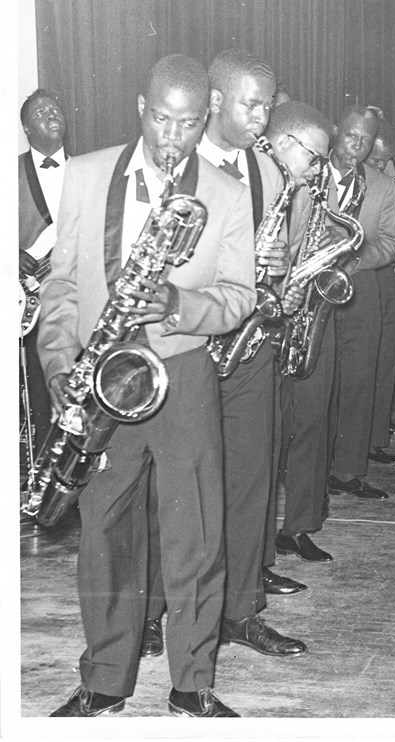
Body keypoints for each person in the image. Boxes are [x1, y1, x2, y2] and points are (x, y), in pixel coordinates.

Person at [39, 54, 256, 717]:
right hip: (103, 377)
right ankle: (104, 679)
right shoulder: (83, 175)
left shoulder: (227, 194)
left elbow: (238, 298)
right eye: (162, 120)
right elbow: (63, 285)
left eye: (189, 125)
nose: (173, 139)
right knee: (104, 531)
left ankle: (192, 683)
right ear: (142, 108)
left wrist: (172, 302)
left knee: (195, 534)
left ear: (206, 120)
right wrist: (58, 368)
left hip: (183, 373)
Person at [142, 49, 307, 660]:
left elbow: (273, 252)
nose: (265, 117)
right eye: (252, 104)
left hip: (248, 347)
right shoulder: (167, 162)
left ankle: (240, 611)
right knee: (171, 490)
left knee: (246, 483)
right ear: (214, 101)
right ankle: (153, 611)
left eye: (268, 103)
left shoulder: (263, 169)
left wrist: (277, 264)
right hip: (181, 351)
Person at [270, 102, 341, 565]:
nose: (319, 168)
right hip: (270, 319)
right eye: (314, 157)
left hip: (309, 314)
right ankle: (260, 547)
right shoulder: (263, 184)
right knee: (273, 434)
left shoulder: (314, 189)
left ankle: (298, 526)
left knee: (313, 423)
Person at [326, 105, 395, 500]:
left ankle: (348, 470)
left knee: (358, 382)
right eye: (352, 136)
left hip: (360, 290)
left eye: (366, 140)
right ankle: (311, 467)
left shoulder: (382, 186)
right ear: (335, 130)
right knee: (315, 385)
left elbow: (391, 242)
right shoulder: (308, 173)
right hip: (311, 292)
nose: (357, 146)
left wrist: (358, 258)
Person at [19, 89, 68, 454]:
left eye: (55, 108)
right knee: (43, 398)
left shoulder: (90, 170)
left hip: (78, 302)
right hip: (32, 305)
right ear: (26, 128)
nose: (51, 113)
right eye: (40, 112)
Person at [365, 123, 395, 464]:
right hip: (365, 277)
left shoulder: (385, 184)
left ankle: (376, 435)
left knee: (386, 363)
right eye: (379, 161)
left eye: (386, 163)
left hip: (388, 276)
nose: (383, 169)